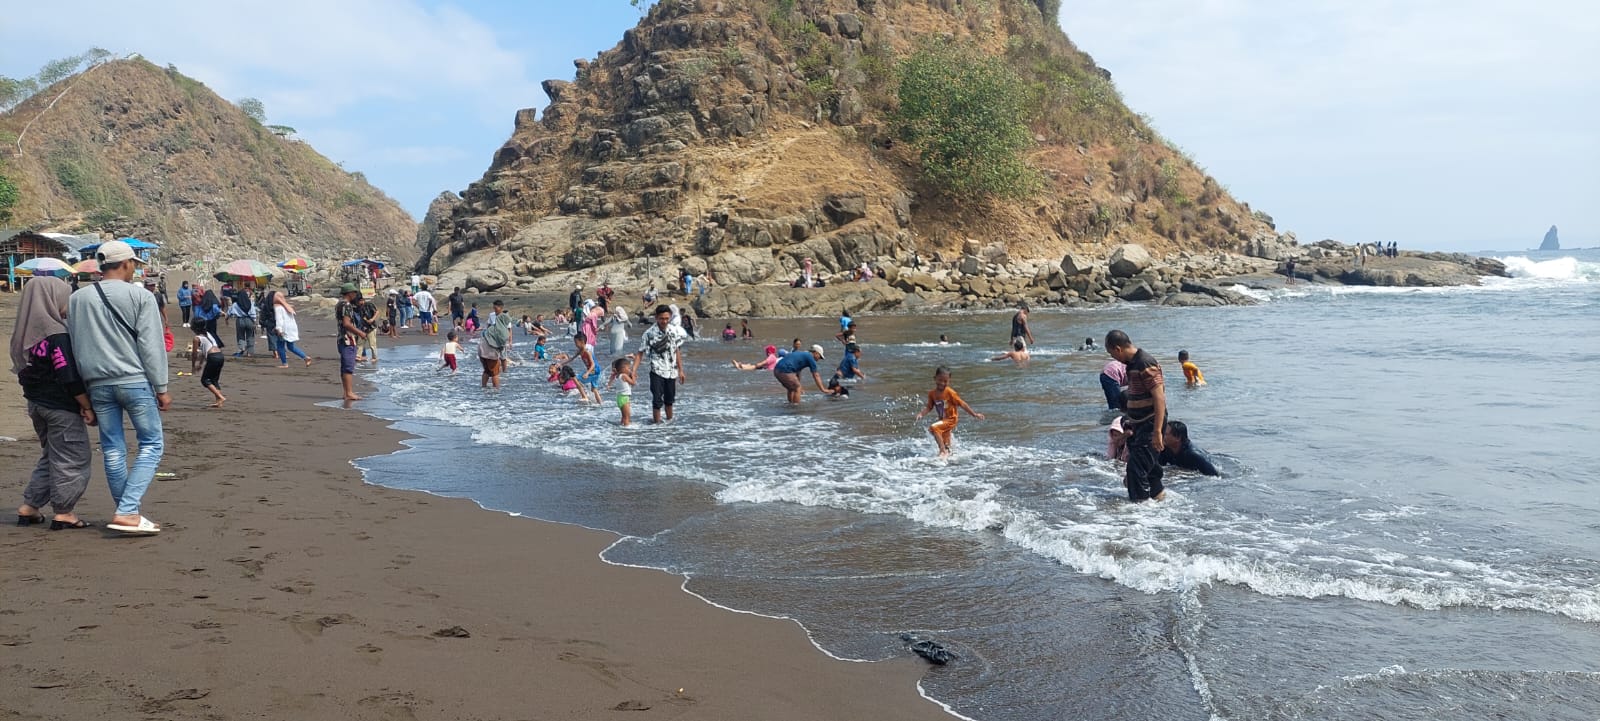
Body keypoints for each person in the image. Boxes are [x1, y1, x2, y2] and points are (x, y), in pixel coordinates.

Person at [68, 240, 169, 534]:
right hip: (134, 380)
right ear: (125, 264)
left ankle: (129, 512)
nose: (135, 269)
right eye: (134, 264)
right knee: (151, 444)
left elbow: (76, 346)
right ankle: (127, 511)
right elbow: (151, 346)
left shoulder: (78, 299)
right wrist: (161, 387)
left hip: (97, 385)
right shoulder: (140, 297)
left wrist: (84, 396)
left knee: (113, 449)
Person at [11, 276, 95, 530]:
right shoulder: (56, 333)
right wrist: (87, 405)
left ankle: (30, 506)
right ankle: (65, 511)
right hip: (60, 406)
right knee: (73, 457)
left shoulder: (24, 334)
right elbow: (67, 375)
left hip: (36, 405)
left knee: (52, 455)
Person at [1105, 329, 1166, 502]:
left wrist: (1157, 431)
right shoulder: (1132, 364)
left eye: (1112, 353)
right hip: (1139, 423)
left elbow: (1159, 397)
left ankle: (1140, 513)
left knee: (1135, 469)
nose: (1114, 358)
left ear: (1118, 349)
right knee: (1150, 469)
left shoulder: (1145, 363)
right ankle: (1160, 502)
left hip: (1150, 423)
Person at [631, 304, 688, 424]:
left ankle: (669, 424)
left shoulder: (673, 330)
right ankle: (657, 428)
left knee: (669, 400)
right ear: (656, 317)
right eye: (662, 318)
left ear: (670, 317)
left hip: (672, 372)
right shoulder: (648, 333)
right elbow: (640, 353)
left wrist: (681, 370)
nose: (664, 321)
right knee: (657, 400)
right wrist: (634, 371)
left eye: (667, 318)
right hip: (656, 371)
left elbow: (676, 350)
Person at [914, 366, 985, 458]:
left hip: (951, 419)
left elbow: (962, 403)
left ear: (949, 381)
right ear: (935, 379)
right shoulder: (932, 394)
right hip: (943, 419)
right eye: (940, 380)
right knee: (941, 438)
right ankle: (948, 453)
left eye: (945, 381)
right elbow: (929, 407)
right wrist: (921, 414)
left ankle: (942, 451)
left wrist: (974, 414)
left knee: (934, 428)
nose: (942, 383)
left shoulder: (950, 392)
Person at [335, 284, 368, 401]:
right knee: (348, 367)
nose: (355, 295)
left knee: (345, 366)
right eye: (354, 293)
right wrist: (360, 333)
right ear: (349, 293)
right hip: (347, 339)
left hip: (341, 338)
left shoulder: (339, 304)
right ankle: (349, 392)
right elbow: (347, 323)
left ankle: (346, 392)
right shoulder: (347, 305)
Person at [189, 316, 226, 408]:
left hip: (212, 357)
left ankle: (221, 397)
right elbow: (204, 352)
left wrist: (193, 366)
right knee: (214, 380)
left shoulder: (197, 338)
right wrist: (201, 364)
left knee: (204, 380)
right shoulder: (208, 334)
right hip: (220, 356)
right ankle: (218, 402)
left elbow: (194, 354)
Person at [270, 292, 311, 368]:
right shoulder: (286, 306)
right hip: (292, 328)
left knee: (280, 346)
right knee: (291, 346)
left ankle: (284, 363)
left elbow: (279, 319)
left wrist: (279, 329)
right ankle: (305, 357)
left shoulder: (278, 307)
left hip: (284, 328)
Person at [480, 311, 513, 390]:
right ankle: (496, 392)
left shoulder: (491, 327)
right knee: (495, 373)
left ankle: (483, 388)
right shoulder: (502, 331)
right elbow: (500, 345)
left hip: (481, 350)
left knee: (487, 371)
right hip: (490, 352)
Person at [569, 330, 603, 404]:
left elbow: (593, 364)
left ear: (582, 342)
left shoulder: (587, 351)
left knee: (576, 378)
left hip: (594, 369)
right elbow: (571, 359)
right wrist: (561, 364)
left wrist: (587, 373)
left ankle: (584, 396)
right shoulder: (579, 351)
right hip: (594, 370)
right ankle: (600, 404)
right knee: (594, 389)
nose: (575, 344)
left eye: (576, 342)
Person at [228, 286, 256, 358]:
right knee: (250, 336)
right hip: (249, 320)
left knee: (240, 336)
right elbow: (253, 313)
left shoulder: (235, 304)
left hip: (240, 320)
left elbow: (229, 313)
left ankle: (241, 349)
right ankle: (250, 352)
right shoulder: (250, 303)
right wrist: (255, 322)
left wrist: (226, 319)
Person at [606, 357, 635, 426]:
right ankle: (626, 429)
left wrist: (609, 384)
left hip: (620, 398)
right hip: (624, 398)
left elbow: (612, 377)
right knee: (627, 417)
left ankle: (622, 427)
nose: (629, 370)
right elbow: (633, 383)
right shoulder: (624, 375)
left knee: (624, 416)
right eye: (628, 368)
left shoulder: (617, 375)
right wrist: (633, 375)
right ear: (623, 368)